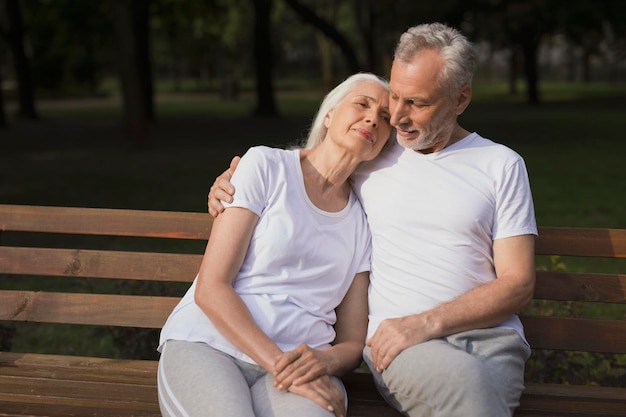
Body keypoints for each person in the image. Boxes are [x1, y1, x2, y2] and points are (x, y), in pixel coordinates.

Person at [207, 22, 537, 417]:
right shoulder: (376, 153)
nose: (396, 117)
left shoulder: (502, 165)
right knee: (467, 384)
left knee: (477, 384)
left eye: (417, 103)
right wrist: (228, 182)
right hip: (403, 347)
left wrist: (425, 322)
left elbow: (518, 284)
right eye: (394, 96)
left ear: (460, 98)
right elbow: (306, 170)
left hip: (490, 342)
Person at [157, 72, 393, 417]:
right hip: (210, 343)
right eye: (362, 104)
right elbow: (211, 287)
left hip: (300, 364)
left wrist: (322, 361)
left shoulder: (363, 221)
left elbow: (353, 342)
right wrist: (280, 364)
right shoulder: (266, 166)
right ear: (329, 115)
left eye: (385, 117)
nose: (373, 118)